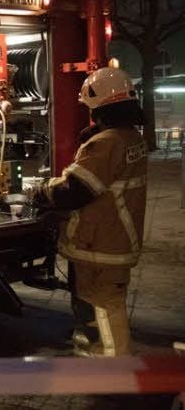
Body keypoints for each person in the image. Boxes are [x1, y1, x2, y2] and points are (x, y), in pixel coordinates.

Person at [28, 67, 147, 357]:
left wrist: (40, 189)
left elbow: (75, 191)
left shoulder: (105, 144)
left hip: (100, 247)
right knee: (101, 304)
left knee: (104, 307)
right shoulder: (131, 138)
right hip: (114, 242)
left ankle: (113, 366)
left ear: (100, 108)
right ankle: (99, 350)